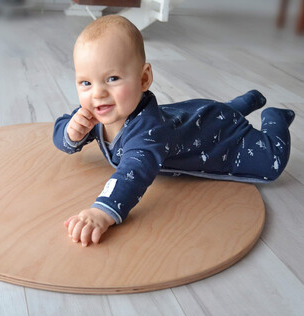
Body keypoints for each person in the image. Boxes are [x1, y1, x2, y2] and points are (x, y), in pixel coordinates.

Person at [53, 15, 295, 247]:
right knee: (215, 111)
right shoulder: (98, 110)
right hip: (195, 113)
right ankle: (244, 103)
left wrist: (102, 210)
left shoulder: (148, 133)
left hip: (215, 133)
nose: (97, 93)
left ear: (144, 78)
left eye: (113, 78)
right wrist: (71, 133)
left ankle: (274, 117)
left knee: (270, 163)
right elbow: (61, 127)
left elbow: (133, 172)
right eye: (86, 83)